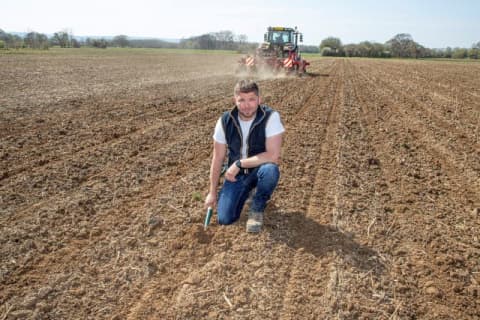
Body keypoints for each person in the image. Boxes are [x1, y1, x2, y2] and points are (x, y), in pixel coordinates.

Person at [204, 80, 285, 233]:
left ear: (259, 100)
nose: (247, 105)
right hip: (237, 176)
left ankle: (257, 207)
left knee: (270, 170)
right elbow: (218, 157)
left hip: (259, 169)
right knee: (225, 219)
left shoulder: (270, 117)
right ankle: (247, 191)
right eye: (242, 100)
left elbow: (273, 156)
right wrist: (212, 192)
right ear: (235, 100)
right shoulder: (225, 121)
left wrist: (239, 163)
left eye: (252, 99)